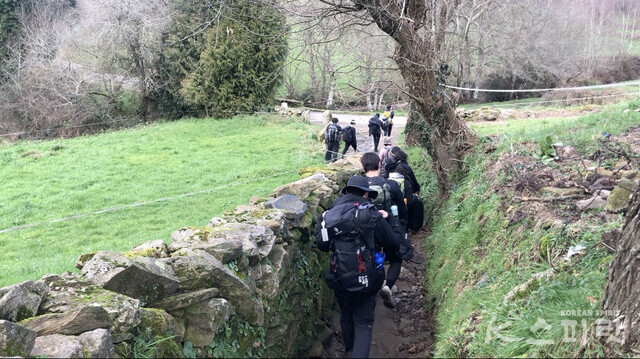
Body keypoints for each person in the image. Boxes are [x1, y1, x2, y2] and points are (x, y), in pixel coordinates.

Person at [316, 175, 402, 358]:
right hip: (367, 277)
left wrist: (320, 223)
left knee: (346, 314)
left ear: (346, 192)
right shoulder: (371, 213)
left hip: (340, 277)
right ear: (365, 193)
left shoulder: (330, 215)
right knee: (363, 321)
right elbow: (393, 244)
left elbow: (322, 246)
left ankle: (349, 350)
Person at [361, 153, 408, 309]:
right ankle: (388, 285)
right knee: (396, 258)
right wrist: (402, 225)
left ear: (363, 167)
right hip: (388, 227)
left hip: (367, 229)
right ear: (379, 165)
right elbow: (402, 208)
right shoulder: (391, 185)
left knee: (370, 258)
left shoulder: (360, 187)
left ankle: (371, 291)